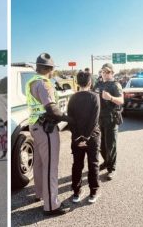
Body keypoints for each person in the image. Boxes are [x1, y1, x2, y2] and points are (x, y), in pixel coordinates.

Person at [26, 53, 73, 216]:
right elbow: (52, 109)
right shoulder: (44, 84)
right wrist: (70, 119)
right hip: (46, 129)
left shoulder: (32, 82)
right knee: (50, 167)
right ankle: (51, 205)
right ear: (50, 69)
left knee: (39, 164)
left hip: (34, 126)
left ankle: (40, 194)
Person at [67, 71, 101, 203]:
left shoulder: (73, 98)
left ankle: (76, 192)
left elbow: (70, 119)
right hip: (92, 137)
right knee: (93, 164)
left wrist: (78, 138)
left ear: (76, 82)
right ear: (90, 82)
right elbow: (94, 120)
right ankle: (93, 192)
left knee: (77, 164)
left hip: (76, 139)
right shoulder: (95, 97)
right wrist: (86, 138)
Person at [93, 63, 124, 180]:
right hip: (99, 119)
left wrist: (111, 98)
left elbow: (121, 101)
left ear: (112, 73)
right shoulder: (98, 84)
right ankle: (106, 162)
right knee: (101, 145)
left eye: (107, 72)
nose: (105, 74)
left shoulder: (115, 85)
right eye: (103, 71)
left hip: (111, 119)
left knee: (111, 145)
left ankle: (112, 168)